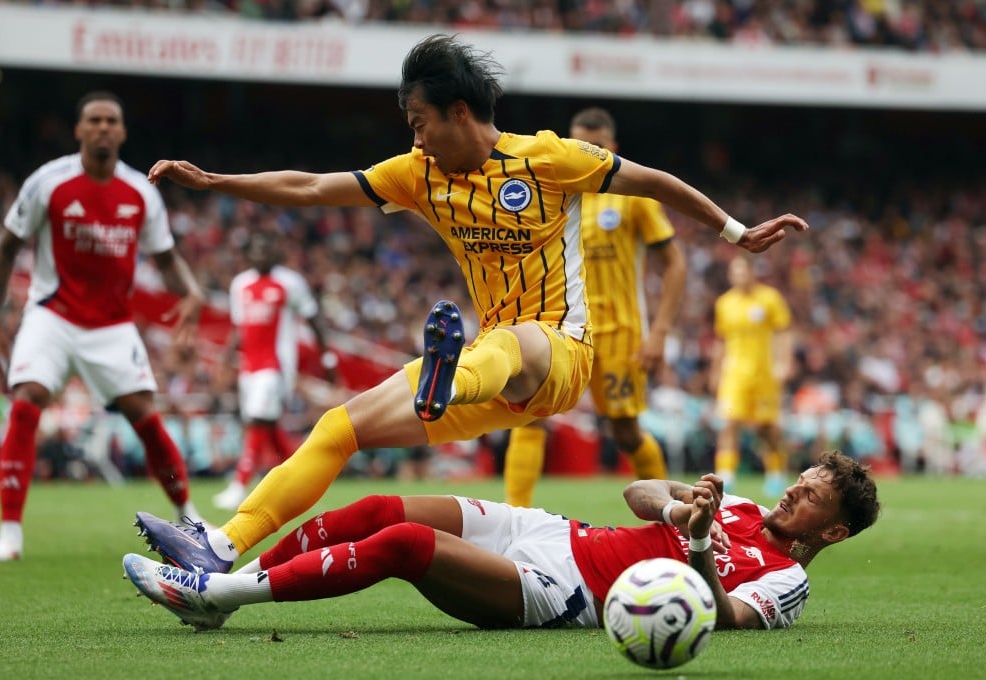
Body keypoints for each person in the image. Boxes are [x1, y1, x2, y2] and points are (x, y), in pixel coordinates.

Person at [133, 34, 808, 577]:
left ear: (459, 111)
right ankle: (220, 546)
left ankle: (445, 375)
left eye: (420, 122)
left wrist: (735, 232)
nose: (415, 138)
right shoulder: (418, 174)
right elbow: (313, 186)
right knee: (339, 428)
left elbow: (653, 182)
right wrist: (216, 180)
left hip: (559, 354)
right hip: (484, 369)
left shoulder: (547, 159)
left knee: (512, 342)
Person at [123, 450, 880, 632]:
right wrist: (683, 505)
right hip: (553, 531)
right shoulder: (739, 504)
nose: (794, 488)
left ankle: (216, 597)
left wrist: (704, 553)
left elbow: (731, 620)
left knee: (406, 544)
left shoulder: (787, 579)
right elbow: (636, 494)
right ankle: (228, 568)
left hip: (564, 594)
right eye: (803, 477)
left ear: (833, 530)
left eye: (811, 493)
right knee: (381, 504)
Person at [0, 91, 208, 562]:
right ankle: (9, 536)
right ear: (79, 130)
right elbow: (3, 250)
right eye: (94, 121)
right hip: (53, 314)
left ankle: (192, 517)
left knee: (145, 417)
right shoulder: (48, 182)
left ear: (122, 132)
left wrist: (192, 291)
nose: (103, 128)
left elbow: (166, 259)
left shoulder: (141, 192)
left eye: (111, 121)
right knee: (26, 400)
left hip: (112, 325)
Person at [503, 107, 687, 507]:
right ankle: (514, 518)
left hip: (620, 332)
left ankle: (669, 514)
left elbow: (674, 263)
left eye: (597, 147)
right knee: (530, 413)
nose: (587, 154)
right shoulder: (553, 192)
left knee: (625, 431)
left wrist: (659, 333)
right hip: (563, 325)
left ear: (613, 148)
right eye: (579, 145)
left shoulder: (633, 198)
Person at [213, 231, 337, 511]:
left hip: (277, 365)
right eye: (255, 250)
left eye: (265, 250)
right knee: (266, 426)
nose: (260, 255)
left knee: (258, 420)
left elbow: (313, 317)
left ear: (275, 254)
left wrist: (327, 358)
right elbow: (238, 327)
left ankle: (239, 484)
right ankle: (304, 480)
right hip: (249, 368)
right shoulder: (240, 284)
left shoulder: (289, 282)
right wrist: (226, 359)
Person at [710, 255, 793, 496]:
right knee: (729, 422)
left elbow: (783, 332)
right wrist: (715, 371)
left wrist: (784, 362)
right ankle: (726, 475)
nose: (738, 277)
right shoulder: (724, 303)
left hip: (764, 372)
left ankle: (776, 473)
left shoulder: (769, 298)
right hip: (734, 373)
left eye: (742, 271)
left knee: (766, 427)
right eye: (734, 272)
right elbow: (721, 340)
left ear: (751, 273)